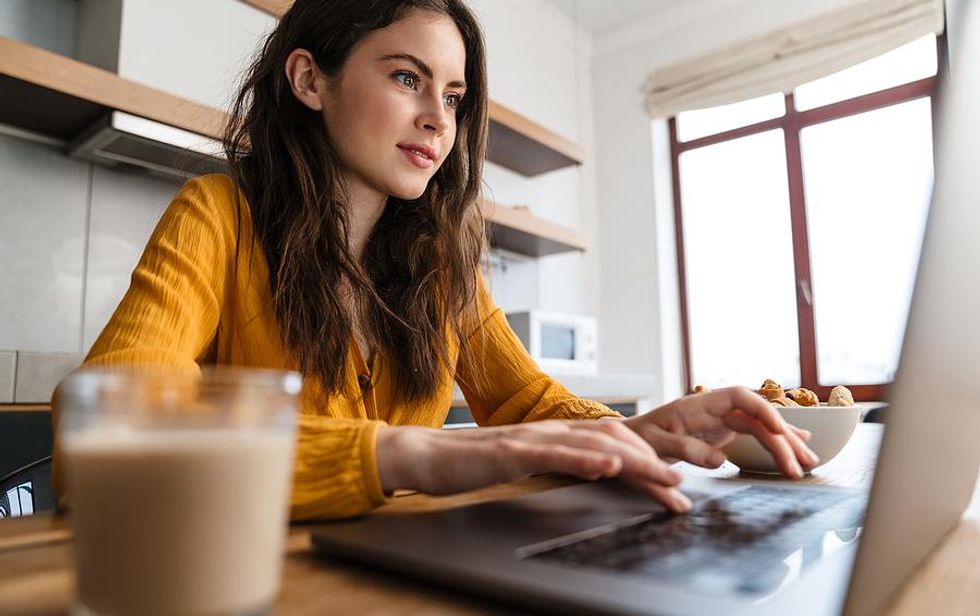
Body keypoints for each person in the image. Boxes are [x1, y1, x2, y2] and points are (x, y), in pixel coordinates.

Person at [53, 0, 817, 520]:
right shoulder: (216, 216)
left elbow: (526, 407)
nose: (437, 119)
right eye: (406, 77)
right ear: (309, 79)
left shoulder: (443, 264)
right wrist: (407, 452)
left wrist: (645, 429)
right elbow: (107, 430)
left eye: (453, 95)